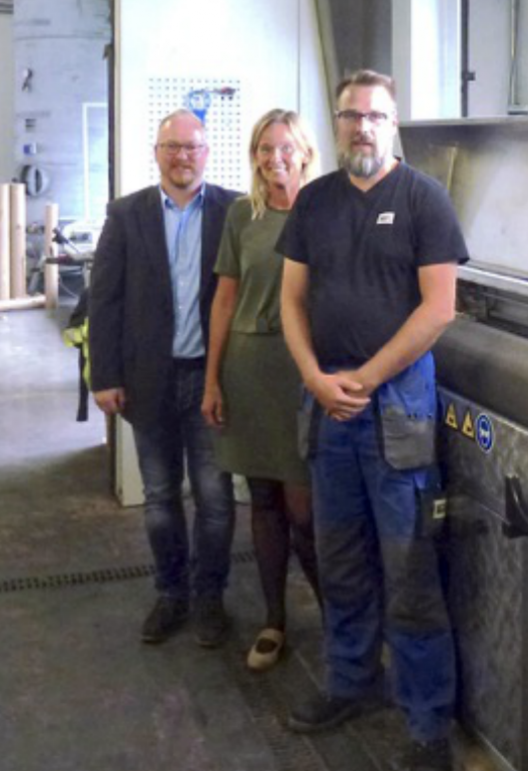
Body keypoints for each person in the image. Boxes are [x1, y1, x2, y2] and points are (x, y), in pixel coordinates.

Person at [278, 70, 468, 771]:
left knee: (409, 568)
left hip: (396, 409)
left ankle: (426, 723)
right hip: (328, 406)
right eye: (351, 115)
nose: (362, 126)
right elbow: (292, 299)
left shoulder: (424, 199)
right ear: (336, 124)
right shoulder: (315, 202)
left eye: (375, 116)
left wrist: (367, 377)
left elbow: (440, 307)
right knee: (342, 559)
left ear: (393, 125)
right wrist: (313, 377)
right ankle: (350, 683)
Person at [89, 109, 239, 648]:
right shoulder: (126, 215)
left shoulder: (234, 211)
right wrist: (104, 375)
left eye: (191, 146)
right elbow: (105, 300)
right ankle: (171, 594)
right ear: (156, 153)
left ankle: (210, 599)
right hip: (147, 380)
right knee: (159, 498)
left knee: (215, 500)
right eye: (171, 146)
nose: (182, 156)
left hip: (211, 383)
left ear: (206, 153)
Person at [202, 109, 322, 671]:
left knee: (305, 510)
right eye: (265, 148)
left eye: (285, 147)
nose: (275, 158)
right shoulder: (240, 215)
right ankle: (274, 620)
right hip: (249, 370)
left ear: (305, 152)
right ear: (254, 156)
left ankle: (341, 621)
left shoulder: (324, 210)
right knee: (265, 503)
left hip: (303, 370)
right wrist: (212, 379)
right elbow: (224, 300)